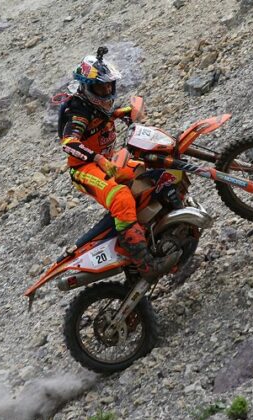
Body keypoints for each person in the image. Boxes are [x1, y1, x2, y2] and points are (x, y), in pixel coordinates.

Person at [58, 47, 172, 279]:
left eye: (110, 86)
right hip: (84, 168)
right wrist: (97, 158)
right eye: (101, 87)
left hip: (108, 161)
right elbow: (69, 142)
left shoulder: (96, 106)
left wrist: (129, 112)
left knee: (150, 172)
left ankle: (163, 228)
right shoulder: (77, 111)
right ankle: (145, 265)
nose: (107, 91)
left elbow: (108, 115)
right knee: (121, 197)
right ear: (87, 87)